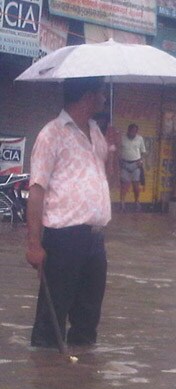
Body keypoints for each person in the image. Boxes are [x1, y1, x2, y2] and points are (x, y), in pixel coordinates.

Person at [26, 77, 114, 349]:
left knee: (88, 317)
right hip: (63, 238)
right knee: (51, 320)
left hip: (94, 237)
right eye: (101, 92)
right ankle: (45, 378)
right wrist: (33, 244)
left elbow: (103, 177)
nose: (104, 99)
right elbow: (37, 189)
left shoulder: (95, 132)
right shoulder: (51, 134)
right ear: (87, 96)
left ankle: (80, 379)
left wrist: (113, 149)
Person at [119, 123, 147, 210]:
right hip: (125, 164)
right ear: (128, 130)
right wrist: (119, 161)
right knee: (124, 185)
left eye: (135, 131)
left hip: (136, 164)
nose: (133, 133)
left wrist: (141, 161)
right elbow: (118, 150)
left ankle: (137, 202)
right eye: (132, 131)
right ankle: (122, 203)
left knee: (136, 186)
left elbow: (143, 152)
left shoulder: (140, 139)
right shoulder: (122, 138)